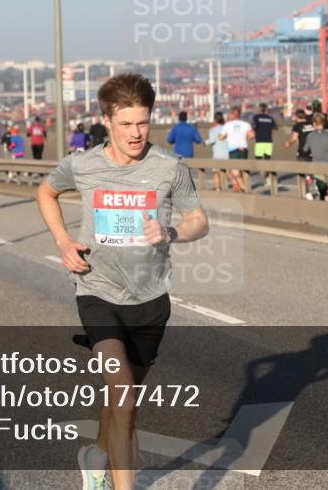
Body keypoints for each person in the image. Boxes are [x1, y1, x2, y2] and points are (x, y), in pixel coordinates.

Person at [35, 73, 209, 490]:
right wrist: (63, 241)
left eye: (143, 123)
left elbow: (198, 221)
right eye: (126, 124)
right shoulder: (83, 164)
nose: (135, 133)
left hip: (150, 299)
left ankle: (96, 456)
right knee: (124, 394)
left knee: (123, 401)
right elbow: (46, 192)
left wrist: (170, 232)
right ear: (107, 121)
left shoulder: (169, 168)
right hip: (97, 292)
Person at [219, 106, 253, 193]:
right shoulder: (246, 124)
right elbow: (252, 135)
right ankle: (240, 187)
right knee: (242, 169)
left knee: (234, 171)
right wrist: (246, 139)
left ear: (232, 114)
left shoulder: (228, 125)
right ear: (240, 114)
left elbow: (221, 137)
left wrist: (224, 135)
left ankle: (243, 187)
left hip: (233, 150)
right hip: (244, 149)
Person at [304, 113, 328, 200]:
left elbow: (305, 149)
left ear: (314, 123)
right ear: (323, 123)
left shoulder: (310, 135)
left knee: (322, 189)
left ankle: (324, 200)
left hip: (318, 165)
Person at [205, 111, 229, 191]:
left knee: (216, 172)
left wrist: (205, 142)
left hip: (217, 154)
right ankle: (226, 187)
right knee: (226, 171)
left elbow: (212, 141)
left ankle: (217, 188)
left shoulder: (213, 130)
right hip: (227, 153)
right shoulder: (227, 129)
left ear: (215, 120)